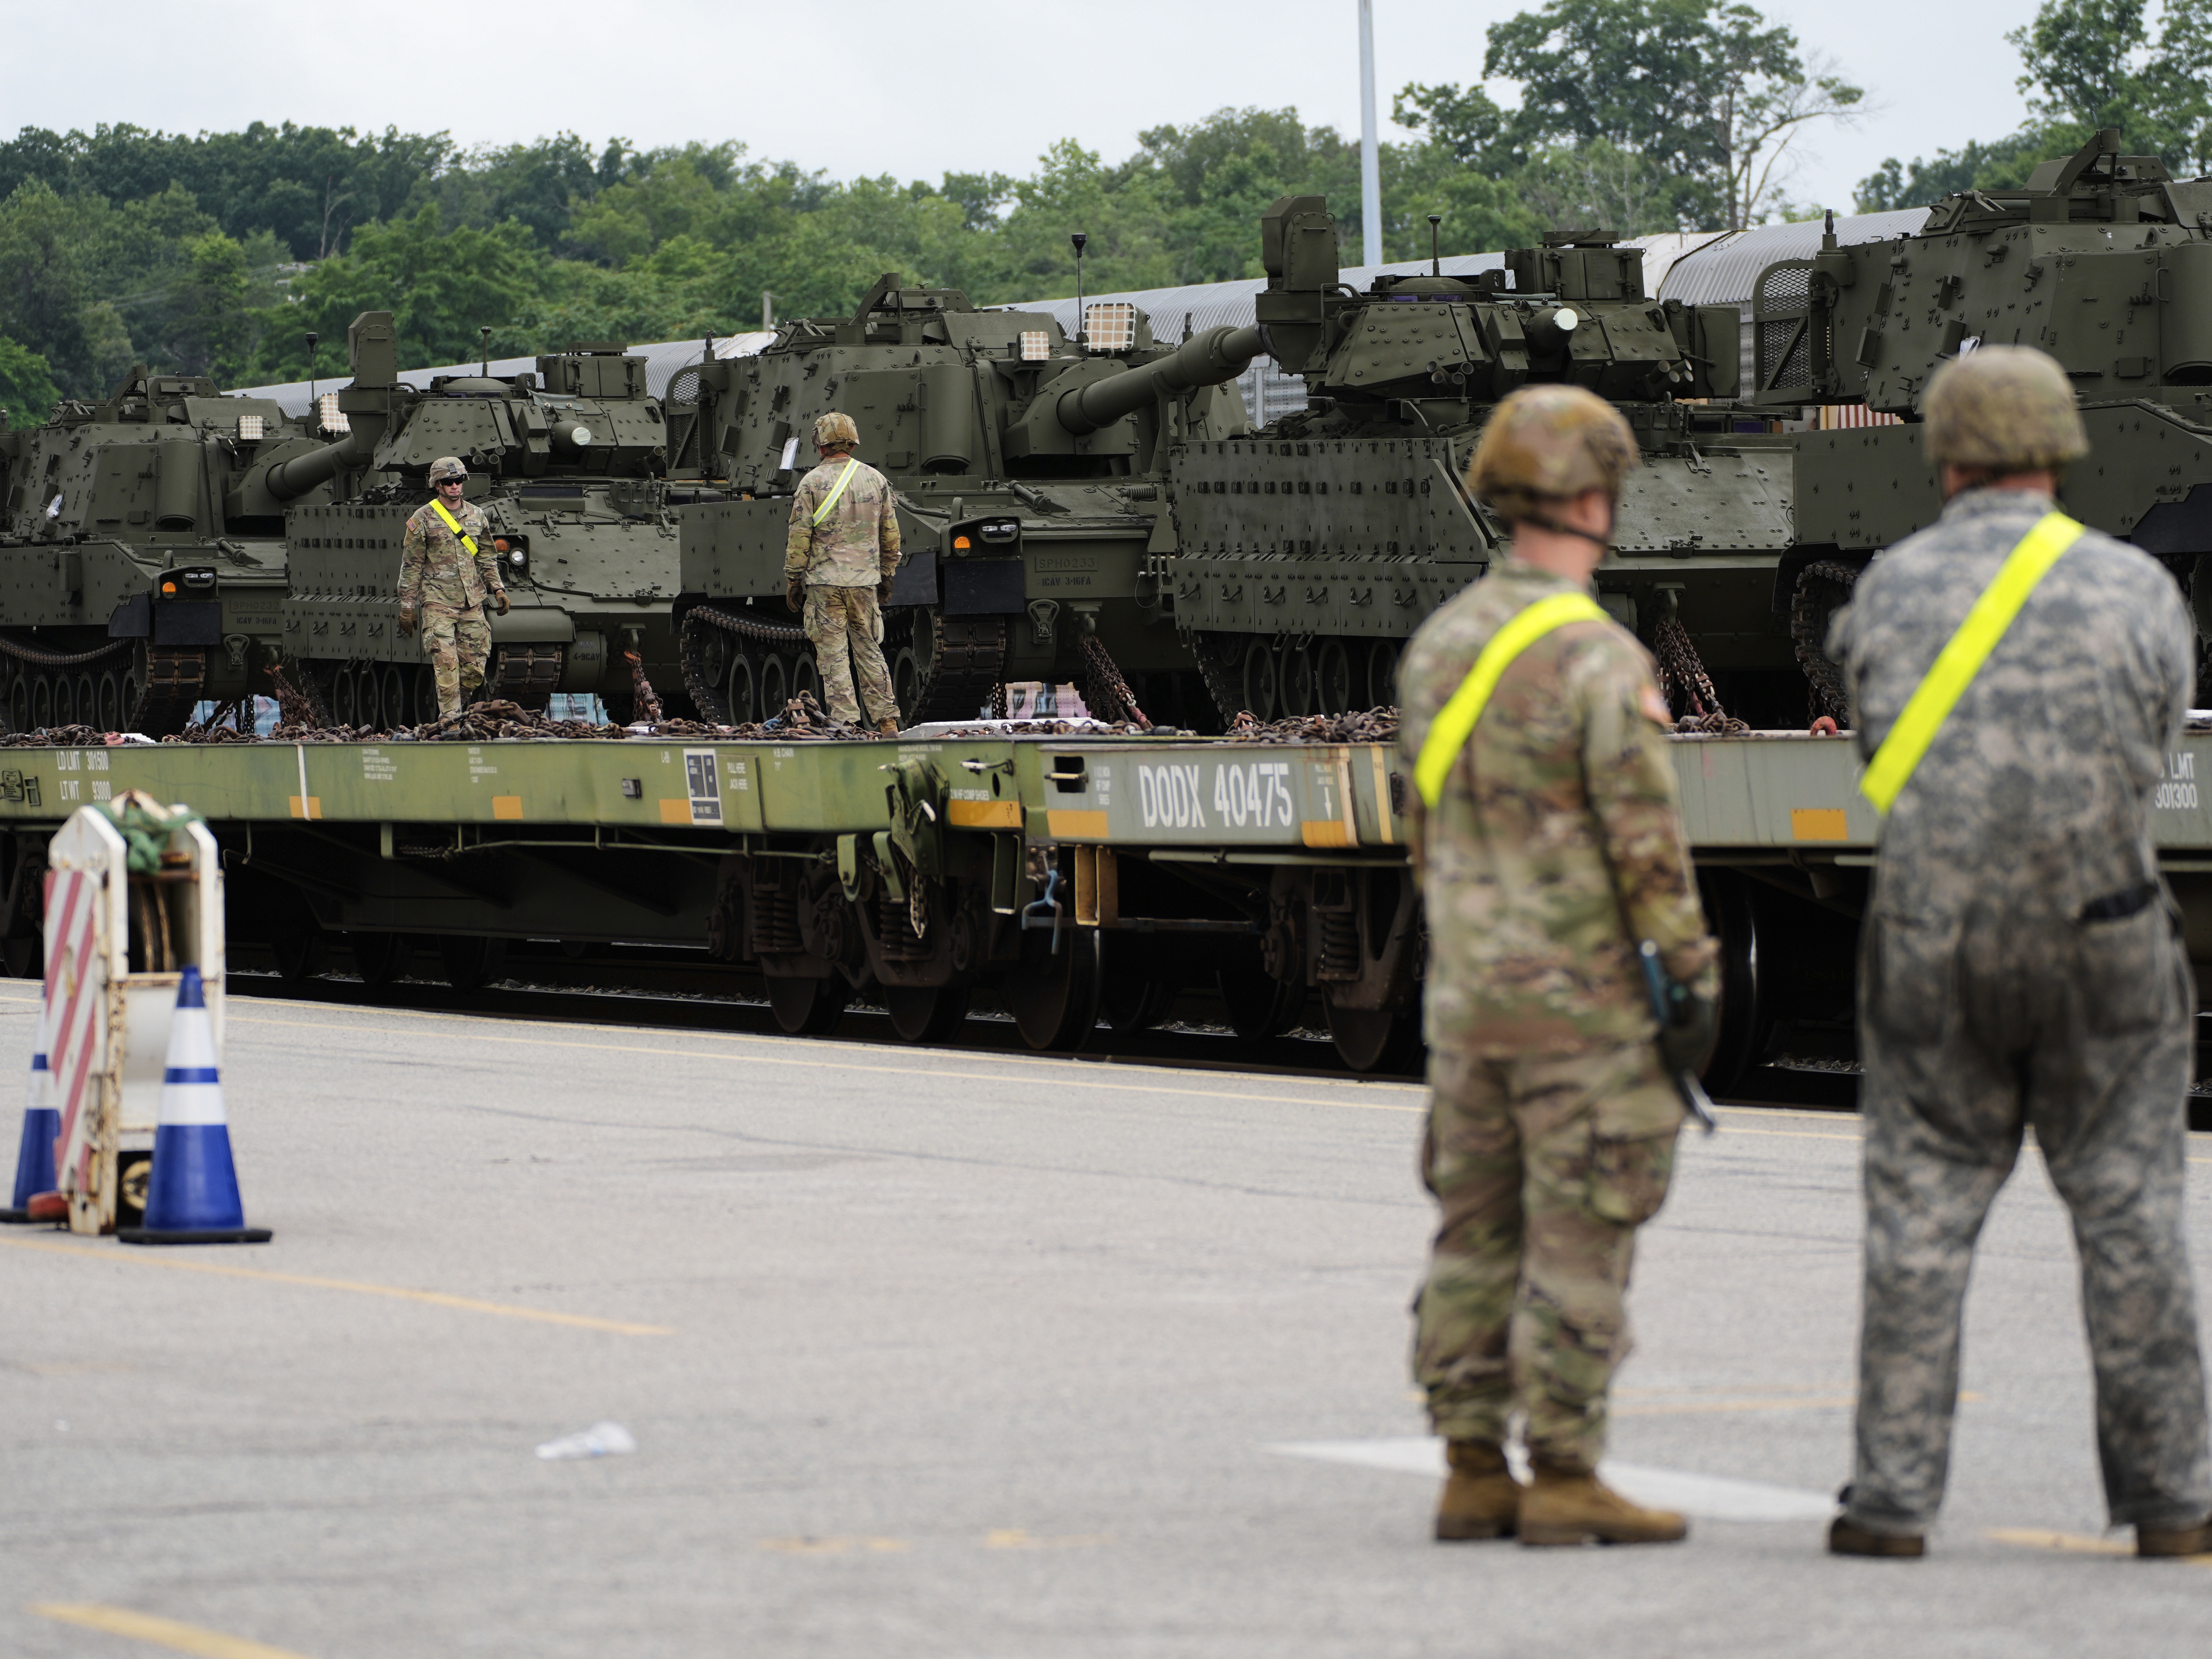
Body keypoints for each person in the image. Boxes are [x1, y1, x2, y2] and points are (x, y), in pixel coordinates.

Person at [1826, 345, 2212, 1559]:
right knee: (2130, 1215)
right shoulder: (2134, 586)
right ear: (2060, 447)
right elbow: (2154, 748)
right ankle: (2173, 1502)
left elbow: (1875, 742)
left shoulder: (1885, 587)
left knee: (1919, 1219)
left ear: (1940, 454)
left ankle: (1890, 1501)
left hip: (1931, 937)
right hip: (2103, 933)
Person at [1398, 383, 1718, 1547]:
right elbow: (1644, 845)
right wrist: (1690, 982)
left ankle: (1470, 1466)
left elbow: (1422, 833)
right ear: (1593, 497)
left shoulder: (1439, 647)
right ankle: (1568, 1469)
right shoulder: (1593, 654)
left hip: (1467, 997)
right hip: (1578, 1005)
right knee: (1581, 1227)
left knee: (1472, 1230)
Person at [784, 411, 901, 735]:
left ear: (820, 444)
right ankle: (887, 720)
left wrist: (794, 579)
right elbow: (890, 534)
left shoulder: (811, 483)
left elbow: (799, 537)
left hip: (825, 584)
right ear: (852, 442)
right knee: (869, 649)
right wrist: (887, 574)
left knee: (834, 657)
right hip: (864, 582)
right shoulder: (875, 479)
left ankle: (847, 724)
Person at [397, 456, 508, 718]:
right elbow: (411, 565)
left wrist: (498, 588)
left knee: (474, 669)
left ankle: (457, 708)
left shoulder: (476, 515)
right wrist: (407, 607)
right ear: (438, 485)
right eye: (449, 482)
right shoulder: (422, 518)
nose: (455, 486)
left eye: (459, 480)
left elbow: (485, 557)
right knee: (447, 665)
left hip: (472, 602)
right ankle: (451, 724)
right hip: (438, 603)